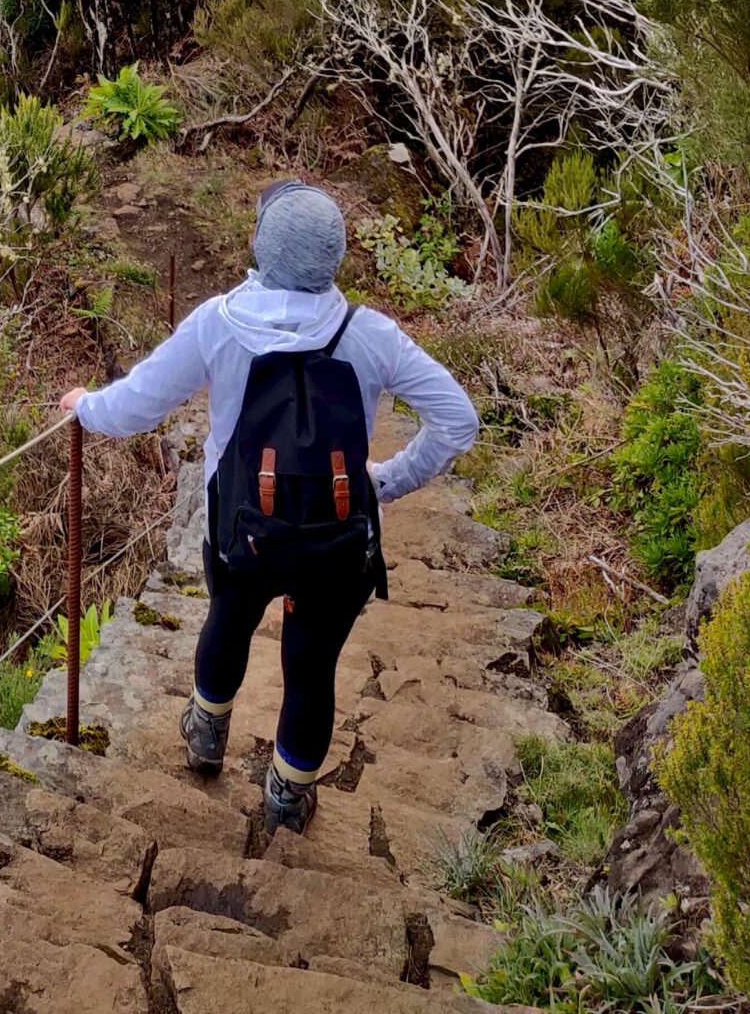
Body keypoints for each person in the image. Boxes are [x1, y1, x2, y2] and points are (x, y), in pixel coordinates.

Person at [59, 179, 479, 834]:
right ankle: (287, 796)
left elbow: (137, 405)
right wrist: (382, 483)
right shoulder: (372, 336)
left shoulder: (217, 324)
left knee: (227, 619)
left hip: (241, 529)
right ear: (335, 255)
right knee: (312, 666)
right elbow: (458, 421)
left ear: (261, 245)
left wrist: (84, 405)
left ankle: (206, 736)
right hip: (337, 537)